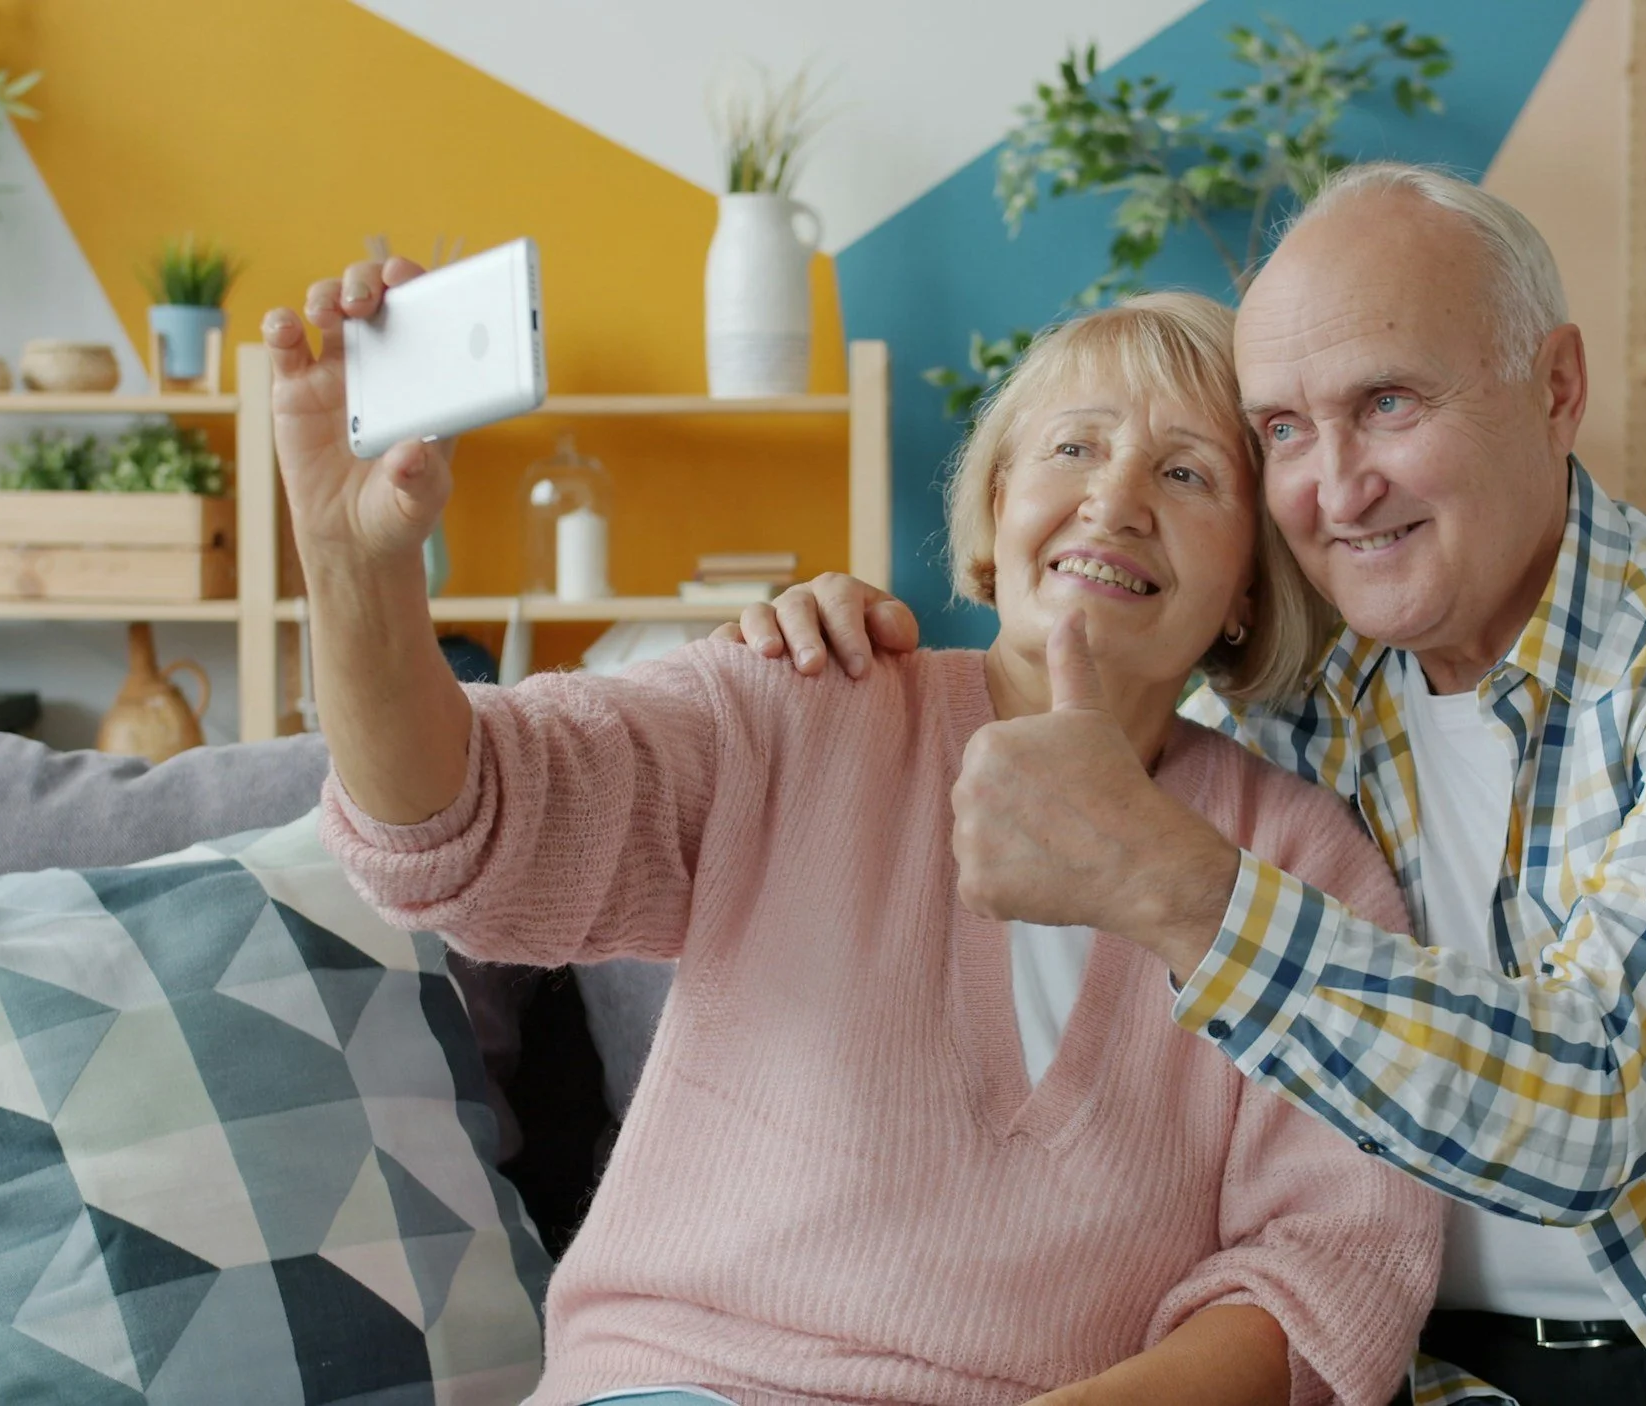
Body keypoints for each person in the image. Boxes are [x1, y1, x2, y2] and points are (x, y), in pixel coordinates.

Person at [725, 162, 1646, 1406]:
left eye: (1387, 402)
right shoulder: (1292, 715)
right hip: (1451, 1381)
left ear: (1554, 386)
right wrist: (848, 648)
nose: (1338, 487)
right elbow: (1082, 689)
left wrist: (1175, 882)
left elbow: (1599, 1103)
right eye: (1285, 434)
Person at [263, 271, 1444, 1406]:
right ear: (994, 514)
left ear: (1247, 587)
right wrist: (356, 567)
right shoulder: (806, 694)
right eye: (1072, 447)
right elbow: (459, 824)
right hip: (687, 1384)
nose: (1115, 498)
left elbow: (1333, 1262)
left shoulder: (1300, 861)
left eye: (1187, 473)